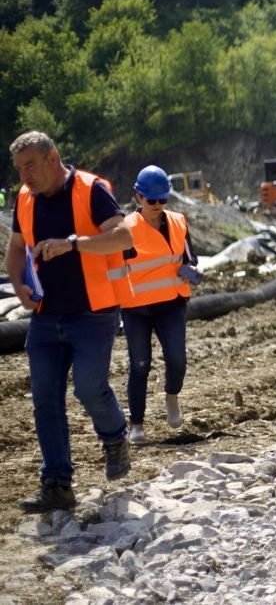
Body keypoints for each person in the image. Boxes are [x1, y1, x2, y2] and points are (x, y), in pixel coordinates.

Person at [8, 131, 134, 513]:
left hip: (93, 314)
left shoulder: (92, 189)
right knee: (45, 400)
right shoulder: (25, 200)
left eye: (30, 165)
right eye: (18, 168)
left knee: (88, 387)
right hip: (46, 317)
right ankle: (57, 485)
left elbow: (123, 235)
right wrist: (17, 285)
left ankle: (114, 436)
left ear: (52, 157)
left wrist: (73, 243)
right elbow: (16, 250)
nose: (25, 175)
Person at [118, 166, 199, 445]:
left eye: (162, 200)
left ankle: (172, 397)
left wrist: (189, 270)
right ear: (139, 198)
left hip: (172, 303)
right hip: (137, 308)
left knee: (177, 359)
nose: (157, 206)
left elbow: (189, 258)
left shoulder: (178, 221)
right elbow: (117, 270)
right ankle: (136, 424)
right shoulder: (125, 229)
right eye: (151, 200)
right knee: (140, 365)